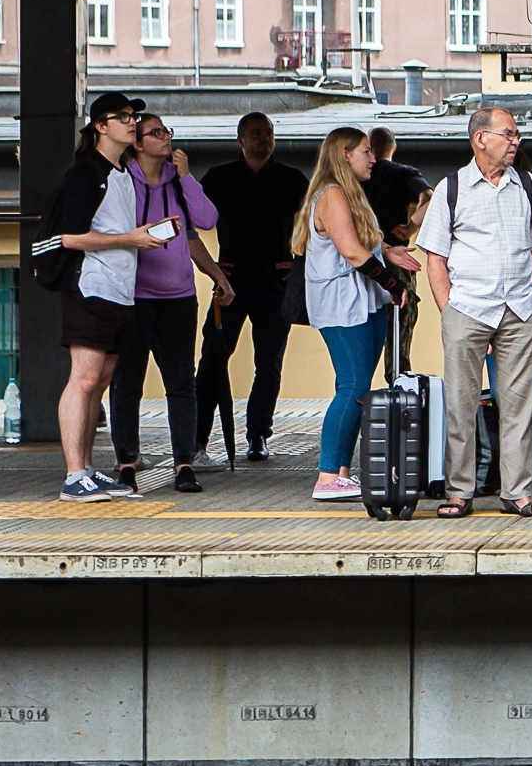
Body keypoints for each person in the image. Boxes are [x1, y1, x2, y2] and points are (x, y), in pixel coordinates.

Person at [415, 106, 532, 519]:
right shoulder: (452, 188)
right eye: (509, 134)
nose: (516, 141)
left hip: (521, 308)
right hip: (468, 308)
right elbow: (435, 257)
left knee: (518, 404)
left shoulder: (527, 186)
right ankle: (459, 492)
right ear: (481, 139)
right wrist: (448, 309)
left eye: (516, 135)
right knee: (460, 404)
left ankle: (517, 493)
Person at [297, 127, 423, 503]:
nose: (373, 158)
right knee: (351, 386)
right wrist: (393, 284)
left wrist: (390, 252)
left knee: (358, 389)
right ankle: (326, 474)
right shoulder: (333, 194)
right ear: (345, 155)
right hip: (342, 304)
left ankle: (341, 473)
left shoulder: (350, 194)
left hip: (362, 302)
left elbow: (363, 241)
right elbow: (352, 252)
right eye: (366, 152)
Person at [48, 93, 164, 502]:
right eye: (123, 117)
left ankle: (87, 471)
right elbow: (70, 236)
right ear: (101, 126)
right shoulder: (86, 172)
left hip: (120, 291)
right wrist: (130, 238)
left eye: (134, 116)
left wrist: (140, 234)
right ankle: (73, 474)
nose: (132, 123)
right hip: (90, 287)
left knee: (99, 381)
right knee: (82, 380)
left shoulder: (123, 172)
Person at [110, 113, 225, 493]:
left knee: (181, 383)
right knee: (128, 382)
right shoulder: (124, 182)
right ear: (138, 144)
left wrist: (188, 177)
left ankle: (183, 463)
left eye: (167, 132)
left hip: (178, 298)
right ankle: (127, 462)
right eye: (155, 133)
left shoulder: (178, 183)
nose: (166, 138)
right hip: (134, 298)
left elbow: (205, 222)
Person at [194, 112, 308, 463]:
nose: (265, 138)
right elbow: (188, 217)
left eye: (269, 133)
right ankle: (197, 439)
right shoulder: (219, 177)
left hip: (276, 285)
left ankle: (258, 434)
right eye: (257, 133)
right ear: (240, 139)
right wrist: (213, 267)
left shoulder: (291, 179)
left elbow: (315, 224)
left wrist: (299, 261)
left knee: (269, 364)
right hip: (230, 283)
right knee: (213, 360)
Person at [364, 126, 431, 361]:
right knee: (400, 319)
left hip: (359, 258)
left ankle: (359, 388)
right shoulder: (403, 172)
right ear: (394, 147)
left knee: (363, 325)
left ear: (369, 148)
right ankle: (397, 380)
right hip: (396, 256)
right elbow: (429, 199)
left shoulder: (355, 176)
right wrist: (411, 227)